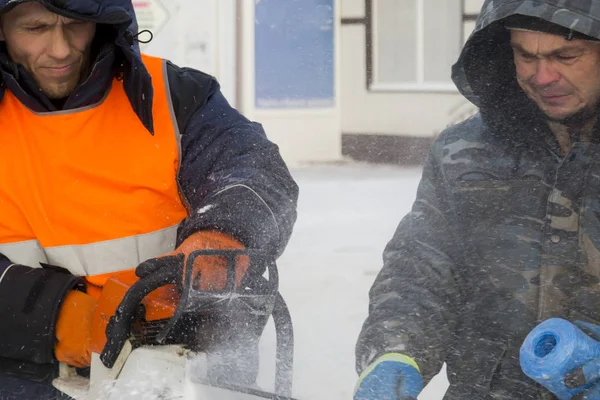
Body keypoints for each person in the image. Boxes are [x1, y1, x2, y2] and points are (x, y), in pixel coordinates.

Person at [0, 0, 298, 399]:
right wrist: (49, 314)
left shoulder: (175, 94)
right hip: (23, 378)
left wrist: (223, 234)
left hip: (186, 358)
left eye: (76, 24)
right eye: (35, 28)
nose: (61, 49)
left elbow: (252, 168)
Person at [354, 1, 600, 399]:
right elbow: (422, 264)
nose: (543, 76)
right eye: (525, 55)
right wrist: (396, 350)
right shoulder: (464, 151)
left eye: (566, 55)